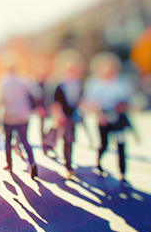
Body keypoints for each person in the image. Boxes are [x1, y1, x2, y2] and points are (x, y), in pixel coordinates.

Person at [84, 52, 136, 180]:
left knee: (121, 143)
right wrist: (99, 115)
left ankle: (122, 171)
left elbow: (127, 99)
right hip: (103, 117)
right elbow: (90, 102)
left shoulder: (121, 81)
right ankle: (99, 162)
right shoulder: (94, 83)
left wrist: (121, 107)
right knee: (104, 143)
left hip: (118, 117)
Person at [50, 50, 85, 179]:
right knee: (67, 139)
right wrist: (58, 115)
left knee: (71, 139)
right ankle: (67, 165)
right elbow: (56, 102)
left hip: (74, 115)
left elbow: (80, 100)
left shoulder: (78, 84)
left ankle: (68, 161)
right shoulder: (60, 85)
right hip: (64, 116)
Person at [0, 67, 38, 179]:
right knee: (25, 140)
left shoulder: (4, 83)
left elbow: (1, 100)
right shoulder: (24, 82)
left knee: (7, 141)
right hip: (23, 115)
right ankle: (32, 162)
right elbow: (35, 95)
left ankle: (9, 164)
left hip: (9, 116)